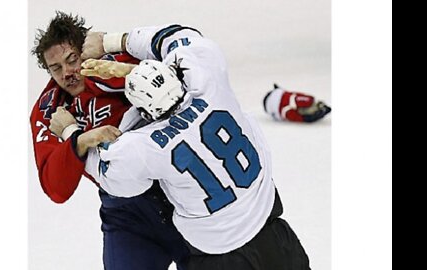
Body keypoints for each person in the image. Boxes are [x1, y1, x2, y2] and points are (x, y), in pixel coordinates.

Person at [69, 24, 311, 269]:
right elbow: (177, 35)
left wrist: (71, 132)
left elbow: (109, 175)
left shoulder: (146, 145)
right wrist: (110, 41)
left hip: (217, 256)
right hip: (272, 233)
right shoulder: (209, 83)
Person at [30, 12, 189, 270]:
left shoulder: (113, 63)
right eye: (56, 68)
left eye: (72, 59)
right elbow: (55, 187)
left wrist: (113, 45)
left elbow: (183, 64)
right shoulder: (51, 110)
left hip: (183, 193)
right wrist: (78, 140)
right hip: (127, 214)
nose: (67, 73)